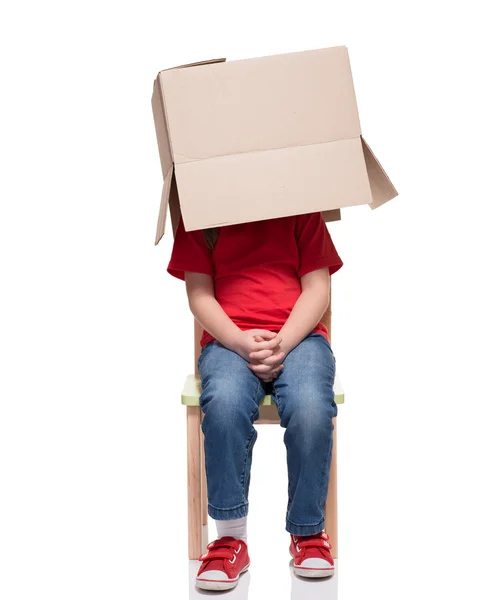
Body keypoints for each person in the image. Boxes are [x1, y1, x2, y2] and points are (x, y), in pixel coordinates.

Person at [167, 210, 343, 592]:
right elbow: (199, 294)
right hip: (228, 340)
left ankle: (308, 532)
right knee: (226, 405)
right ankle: (230, 538)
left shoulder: (302, 208)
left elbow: (317, 288)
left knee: (312, 407)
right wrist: (239, 342)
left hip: (300, 338)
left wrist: (282, 343)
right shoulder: (202, 213)